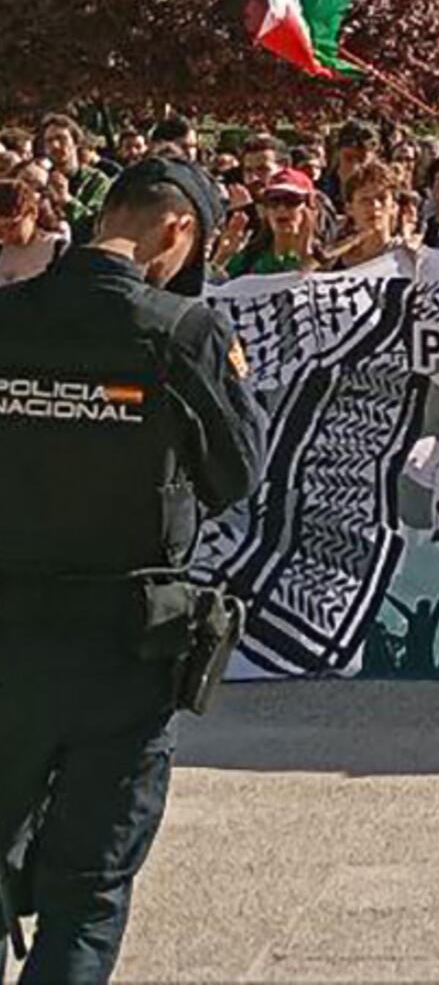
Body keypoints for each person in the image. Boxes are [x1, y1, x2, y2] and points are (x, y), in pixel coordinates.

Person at [0, 157, 266, 980]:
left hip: (9, 631)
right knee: (90, 886)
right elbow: (237, 476)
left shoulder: (9, 315)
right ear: (178, 230)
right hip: (124, 647)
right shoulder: (180, 333)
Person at [222, 169, 321, 278]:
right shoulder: (250, 256)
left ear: (310, 209)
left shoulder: (326, 256)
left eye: (291, 200)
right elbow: (216, 286)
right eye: (273, 201)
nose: (281, 208)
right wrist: (222, 258)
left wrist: (305, 256)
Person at [0, 175, 66, 284]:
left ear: (33, 213)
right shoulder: (2, 250)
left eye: (12, 227)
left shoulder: (57, 249)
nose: (6, 236)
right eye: (0, 231)